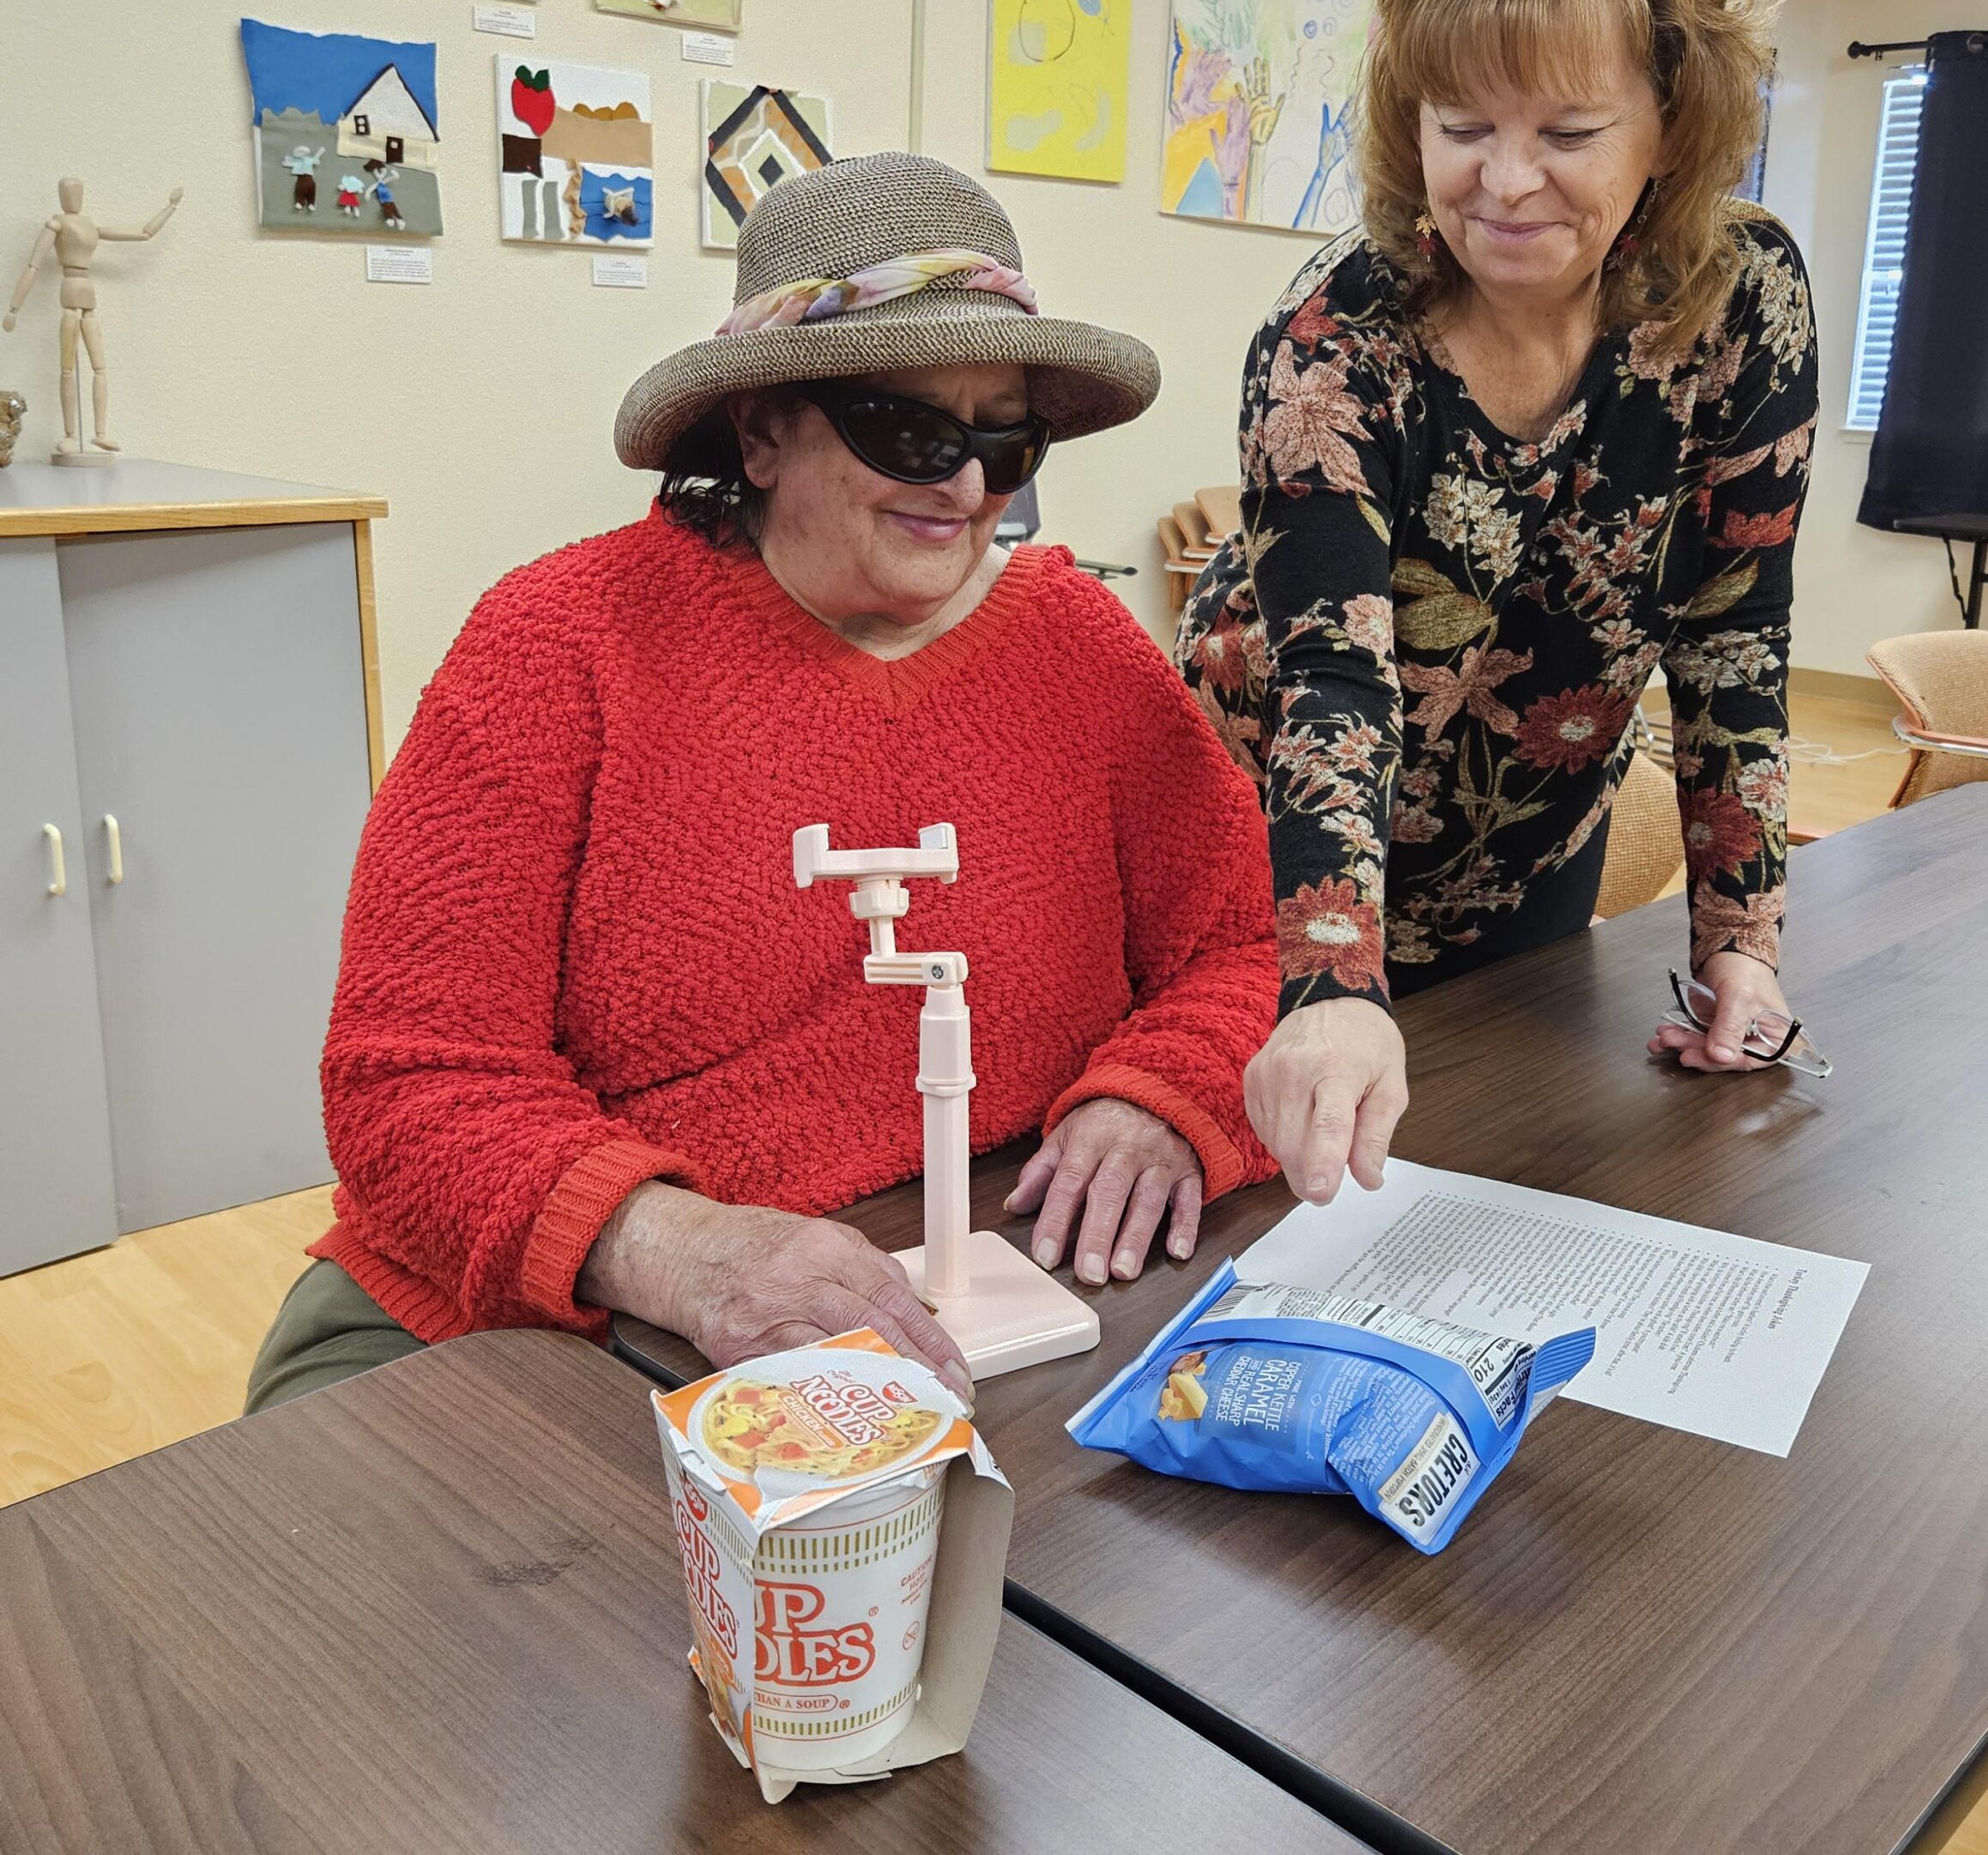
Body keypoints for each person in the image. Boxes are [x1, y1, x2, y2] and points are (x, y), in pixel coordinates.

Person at [247, 153, 1278, 1411]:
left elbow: (1244, 946)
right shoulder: (558, 642)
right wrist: (677, 1248)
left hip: (963, 1285)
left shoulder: (1086, 649)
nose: (964, 484)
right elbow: (409, 1082)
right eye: (912, 428)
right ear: (761, 430)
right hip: (533, 1309)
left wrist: (1166, 1096)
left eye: (1007, 438)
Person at [1179, 0, 1818, 1207]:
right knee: (1261, 1202)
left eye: (1567, 134)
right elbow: (1330, 686)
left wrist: (1741, 943)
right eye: (1462, 126)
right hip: (1269, 856)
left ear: (1672, 126)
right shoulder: (1337, 342)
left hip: (1526, 833)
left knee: (1496, 1177)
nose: (1505, 183)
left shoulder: (1742, 300)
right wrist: (1333, 977)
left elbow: (1733, 640)